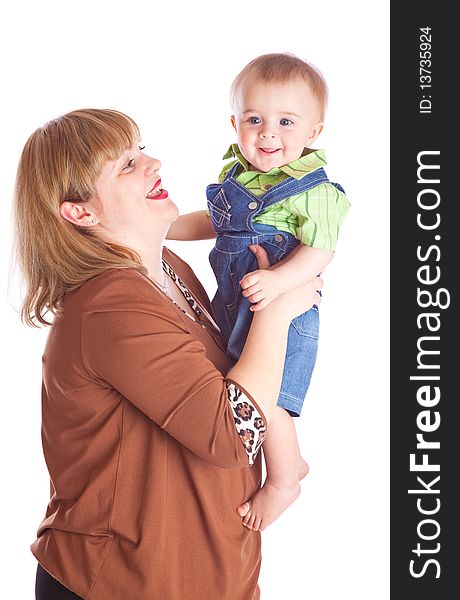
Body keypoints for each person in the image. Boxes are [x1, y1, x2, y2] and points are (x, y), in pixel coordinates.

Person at [14, 108, 323, 600]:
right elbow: (233, 433)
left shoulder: (167, 267)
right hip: (121, 584)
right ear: (80, 211)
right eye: (126, 165)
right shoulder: (110, 306)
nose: (153, 163)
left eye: (141, 150)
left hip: (208, 575)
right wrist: (278, 310)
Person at [167, 53, 350, 531]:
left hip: (284, 308)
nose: (268, 134)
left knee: (268, 400)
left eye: (286, 122)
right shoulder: (239, 178)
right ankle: (287, 463)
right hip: (235, 306)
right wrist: (163, 227)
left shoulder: (314, 191)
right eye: (255, 120)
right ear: (235, 123)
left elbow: (319, 251)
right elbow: (213, 223)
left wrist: (279, 281)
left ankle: (285, 478)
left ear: (313, 132)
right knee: (241, 385)